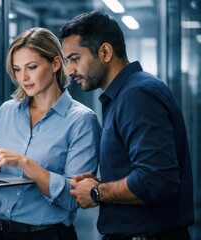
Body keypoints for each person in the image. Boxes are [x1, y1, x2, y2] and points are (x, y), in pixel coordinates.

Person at [0, 27, 101, 240]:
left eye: (31, 67)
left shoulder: (81, 120)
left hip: (47, 235)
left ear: (55, 64)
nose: (23, 77)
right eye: (17, 69)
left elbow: (74, 199)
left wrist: (25, 164)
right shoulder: (7, 111)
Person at [59, 11, 195, 240]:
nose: (70, 70)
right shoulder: (125, 94)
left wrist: (96, 192)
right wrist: (103, 185)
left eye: (75, 58)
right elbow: (143, 173)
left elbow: (157, 180)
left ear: (105, 52)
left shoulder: (137, 95)